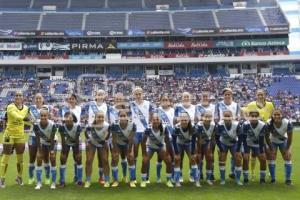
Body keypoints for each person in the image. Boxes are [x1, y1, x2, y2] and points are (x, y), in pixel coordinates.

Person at [0, 91, 30, 188]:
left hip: (20, 135)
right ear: (14, 97)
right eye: (16, 95)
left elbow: (29, 120)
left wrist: (35, 122)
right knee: (5, 157)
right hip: (9, 135)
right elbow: (18, 117)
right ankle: (2, 179)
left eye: (20, 95)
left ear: (23, 97)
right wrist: (28, 119)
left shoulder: (26, 108)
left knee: (20, 158)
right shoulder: (10, 107)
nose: (18, 97)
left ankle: (19, 178)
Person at [246, 89, 274, 180]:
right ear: (256, 95)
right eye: (259, 94)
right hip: (255, 132)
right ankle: (253, 173)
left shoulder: (270, 105)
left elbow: (272, 117)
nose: (260, 96)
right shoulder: (251, 105)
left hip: (266, 131)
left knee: (268, 152)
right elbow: (247, 116)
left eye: (262, 94)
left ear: (264, 95)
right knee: (254, 154)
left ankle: (270, 172)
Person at [140, 113, 174, 188]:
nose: (156, 121)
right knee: (144, 161)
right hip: (150, 146)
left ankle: (168, 180)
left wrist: (167, 153)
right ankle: (143, 180)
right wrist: (144, 154)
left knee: (168, 161)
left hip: (160, 146)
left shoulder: (164, 128)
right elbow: (143, 142)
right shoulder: (148, 128)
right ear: (151, 121)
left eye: (157, 119)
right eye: (154, 120)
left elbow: (167, 141)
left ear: (160, 121)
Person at [28, 93, 53, 185]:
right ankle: (31, 177)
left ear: (43, 99)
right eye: (36, 98)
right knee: (32, 158)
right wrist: (30, 119)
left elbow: (50, 118)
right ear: (35, 99)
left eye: (40, 98)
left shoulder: (47, 108)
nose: (38, 100)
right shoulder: (30, 108)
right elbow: (28, 118)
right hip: (33, 136)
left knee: (46, 158)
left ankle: (47, 177)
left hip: (44, 136)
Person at [215, 88, 241, 179]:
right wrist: (222, 123)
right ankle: (222, 177)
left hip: (233, 131)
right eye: (225, 94)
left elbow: (238, 118)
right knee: (222, 156)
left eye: (229, 94)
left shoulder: (236, 105)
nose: (227, 96)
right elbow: (216, 118)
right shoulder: (218, 104)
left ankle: (233, 172)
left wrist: (231, 121)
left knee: (236, 156)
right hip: (223, 131)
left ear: (231, 95)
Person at [130, 87, 154, 182]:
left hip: (145, 133)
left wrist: (150, 127)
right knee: (134, 156)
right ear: (133, 95)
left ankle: (146, 177)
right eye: (136, 94)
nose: (138, 95)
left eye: (139, 93)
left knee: (145, 156)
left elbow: (152, 116)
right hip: (135, 133)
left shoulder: (148, 104)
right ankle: (134, 178)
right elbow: (128, 117)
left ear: (142, 94)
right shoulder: (131, 105)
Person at [172, 112, 201, 187]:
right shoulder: (176, 127)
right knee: (177, 160)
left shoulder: (193, 127)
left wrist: (193, 152)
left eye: (185, 120)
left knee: (193, 160)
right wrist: (177, 153)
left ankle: (196, 180)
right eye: (182, 120)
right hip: (179, 144)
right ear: (180, 120)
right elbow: (174, 140)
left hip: (189, 143)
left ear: (188, 120)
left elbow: (194, 139)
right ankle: (177, 181)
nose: (184, 121)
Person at [265, 109, 293, 185]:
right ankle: (273, 179)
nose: (277, 116)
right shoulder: (268, 123)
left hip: (284, 141)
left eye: (278, 114)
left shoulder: (287, 123)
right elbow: (267, 138)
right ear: (272, 116)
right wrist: (271, 148)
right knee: (272, 157)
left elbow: (290, 138)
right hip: (272, 141)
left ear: (281, 115)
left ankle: (288, 180)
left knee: (287, 157)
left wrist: (287, 149)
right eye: (275, 115)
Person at [59, 94, 82, 184]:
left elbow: (76, 120)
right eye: (69, 99)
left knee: (77, 157)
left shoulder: (79, 108)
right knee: (63, 157)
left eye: (72, 99)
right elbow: (64, 120)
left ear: (75, 100)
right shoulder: (64, 109)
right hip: (67, 134)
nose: (71, 100)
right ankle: (62, 180)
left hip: (76, 133)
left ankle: (77, 178)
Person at [216, 110, 242, 185]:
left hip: (234, 143)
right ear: (223, 117)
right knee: (222, 160)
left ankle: (237, 179)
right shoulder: (220, 125)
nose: (227, 118)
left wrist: (238, 149)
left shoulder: (237, 124)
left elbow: (240, 137)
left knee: (238, 159)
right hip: (223, 143)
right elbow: (217, 138)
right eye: (225, 116)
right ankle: (222, 179)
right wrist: (220, 148)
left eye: (229, 116)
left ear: (232, 117)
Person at [110, 110, 136, 187]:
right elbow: (114, 139)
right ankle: (115, 180)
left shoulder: (132, 125)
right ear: (118, 117)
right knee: (115, 158)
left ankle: (131, 180)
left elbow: (131, 139)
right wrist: (115, 151)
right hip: (117, 143)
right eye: (121, 116)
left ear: (127, 117)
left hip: (127, 144)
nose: (122, 117)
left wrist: (130, 151)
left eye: (124, 116)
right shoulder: (114, 125)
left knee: (130, 158)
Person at [33, 109, 58, 189]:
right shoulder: (36, 124)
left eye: (45, 115)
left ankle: (53, 182)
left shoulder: (52, 124)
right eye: (42, 115)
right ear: (39, 116)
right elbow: (37, 138)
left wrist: (52, 151)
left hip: (52, 142)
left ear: (48, 116)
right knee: (39, 159)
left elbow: (52, 138)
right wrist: (39, 151)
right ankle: (39, 183)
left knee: (53, 159)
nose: (43, 117)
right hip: (43, 142)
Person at [241, 110, 267, 184]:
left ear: (258, 117)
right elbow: (243, 138)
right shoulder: (245, 124)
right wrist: (246, 151)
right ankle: (246, 179)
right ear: (249, 117)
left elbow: (262, 139)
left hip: (258, 144)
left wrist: (261, 151)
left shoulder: (262, 125)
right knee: (245, 158)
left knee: (263, 159)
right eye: (252, 116)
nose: (254, 118)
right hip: (247, 143)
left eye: (256, 116)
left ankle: (262, 179)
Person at [84, 111, 110, 188]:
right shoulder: (90, 125)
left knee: (105, 161)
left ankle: (107, 180)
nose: (100, 118)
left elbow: (108, 135)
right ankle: (88, 180)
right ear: (95, 117)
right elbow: (86, 133)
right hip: (92, 143)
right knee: (89, 161)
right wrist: (88, 140)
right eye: (99, 117)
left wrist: (105, 141)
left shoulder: (107, 125)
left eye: (102, 117)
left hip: (102, 144)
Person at [195, 91, 216, 181]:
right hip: (200, 133)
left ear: (209, 97)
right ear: (201, 97)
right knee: (199, 156)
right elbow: (196, 118)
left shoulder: (214, 106)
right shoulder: (197, 107)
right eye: (203, 96)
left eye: (206, 96)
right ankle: (200, 174)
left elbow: (215, 118)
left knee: (210, 156)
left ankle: (211, 173)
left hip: (210, 133)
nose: (205, 98)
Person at [156, 94, 175, 183]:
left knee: (172, 157)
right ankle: (158, 177)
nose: (165, 101)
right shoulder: (157, 111)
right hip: (160, 138)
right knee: (159, 158)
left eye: (166, 100)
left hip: (170, 137)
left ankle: (172, 176)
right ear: (160, 101)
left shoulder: (173, 111)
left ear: (169, 101)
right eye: (163, 100)